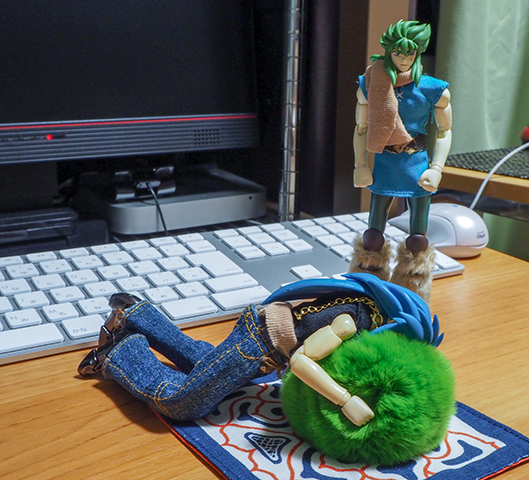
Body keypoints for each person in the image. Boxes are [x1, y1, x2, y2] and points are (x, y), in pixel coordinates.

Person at [78, 273, 442, 423]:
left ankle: (135, 313)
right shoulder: (352, 322)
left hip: (262, 338)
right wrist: (345, 399)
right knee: (183, 402)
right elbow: (302, 362)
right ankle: (120, 350)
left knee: (206, 365)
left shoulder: (367, 311)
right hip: (261, 343)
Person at [350, 20, 452, 304]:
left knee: (418, 238)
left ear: (418, 53)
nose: (404, 59)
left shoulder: (432, 89)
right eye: (398, 52)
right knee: (373, 236)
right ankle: (366, 287)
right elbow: (361, 128)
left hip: (417, 164)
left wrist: (437, 168)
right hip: (384, 163)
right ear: (389, 51)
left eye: (410, 53)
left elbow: (444, 131)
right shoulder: (372, 82)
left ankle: (413, 291)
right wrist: (360, 164)